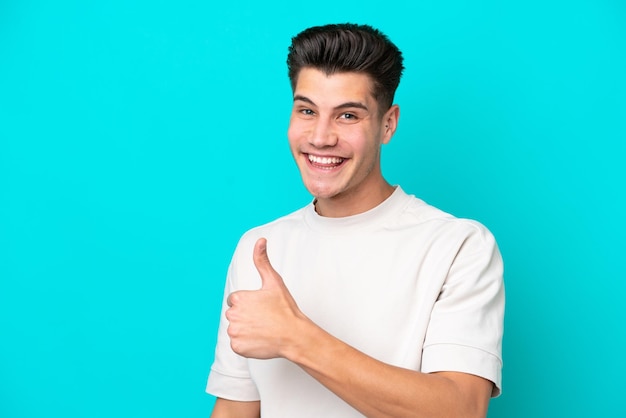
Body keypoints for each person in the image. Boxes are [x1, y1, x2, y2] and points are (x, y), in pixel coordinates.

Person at [206, 23, 504, 418]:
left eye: (347, 115)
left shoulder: (458, 245)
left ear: (388, 124)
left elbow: (461, 409)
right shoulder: (258, 247)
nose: (321, 137)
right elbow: (234, 409)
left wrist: (296, 337)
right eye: (307, 110)